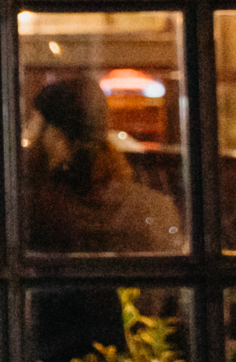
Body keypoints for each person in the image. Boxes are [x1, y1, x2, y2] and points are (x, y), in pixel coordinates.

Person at [22, 76, 184, 255]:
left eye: (35, 126)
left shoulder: (35, 210)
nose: (30, 137)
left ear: (58, 138)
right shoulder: (153, 207)